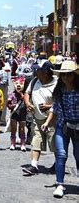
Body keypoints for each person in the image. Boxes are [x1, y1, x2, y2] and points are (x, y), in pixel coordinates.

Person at [42, 60, 79, 198]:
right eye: (63, 75)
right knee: (61, 154)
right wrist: (47, 122)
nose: (66, 78)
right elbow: (55, 109)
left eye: (69, 75)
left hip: (78, 128)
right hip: (62, 127)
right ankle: (59, 184)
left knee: (78, 155)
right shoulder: (59, 92)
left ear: (75, 76)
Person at [22, 61, 57, 176]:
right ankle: (34, 165)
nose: (36, 72)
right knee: (36, 140)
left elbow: (61, 102)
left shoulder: (56, 84)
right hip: (37, 118)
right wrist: (28, 103)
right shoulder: (34, 81)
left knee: (54, 142)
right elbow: (27, 94)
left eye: (39, 70)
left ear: (46, 73)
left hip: (53, 119)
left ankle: (58, 163)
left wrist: (49, 106)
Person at [7, 77, 28, 151]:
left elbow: (28, 104)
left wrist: (23, 97)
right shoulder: (12, 95)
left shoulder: (26, 94)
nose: (18, 85)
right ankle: (13, 143)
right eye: (16, 84)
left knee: (22, 129)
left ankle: (23, 144)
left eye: (21, 84)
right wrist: (11, 106)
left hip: (23, 114)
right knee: (13, 129)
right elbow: (8, 104)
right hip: (14, 114)